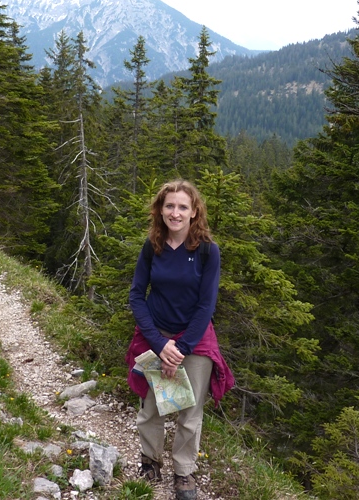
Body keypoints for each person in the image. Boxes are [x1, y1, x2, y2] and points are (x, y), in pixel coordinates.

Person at [125, 180, 234, 500]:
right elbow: (137, 296)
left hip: (195, 339)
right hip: (155, 334)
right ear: (160, 210)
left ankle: (184, 471)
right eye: (169, 206)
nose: (175, 212)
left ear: (194, 211)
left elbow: (206, 305)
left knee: (190, 410)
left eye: (182, 207)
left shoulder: (207, 251)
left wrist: (181, 348)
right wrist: (160, 344)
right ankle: (150, 460)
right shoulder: (152, 245)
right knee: (152, 404)